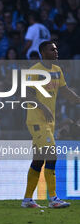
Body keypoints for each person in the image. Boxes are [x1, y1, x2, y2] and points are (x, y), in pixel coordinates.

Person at [22, 41, 80, 208]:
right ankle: (53, 199)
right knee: (52, 155)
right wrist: (43, 107)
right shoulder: (34, 71)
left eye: (56, 49)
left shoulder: (57, 70)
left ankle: (27, 200)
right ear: (42, 52)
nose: (56, 51)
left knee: (38, 160)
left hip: (49, 122)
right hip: (36, 120)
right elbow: (27, 95)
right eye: (52, 49)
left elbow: (65, 91)